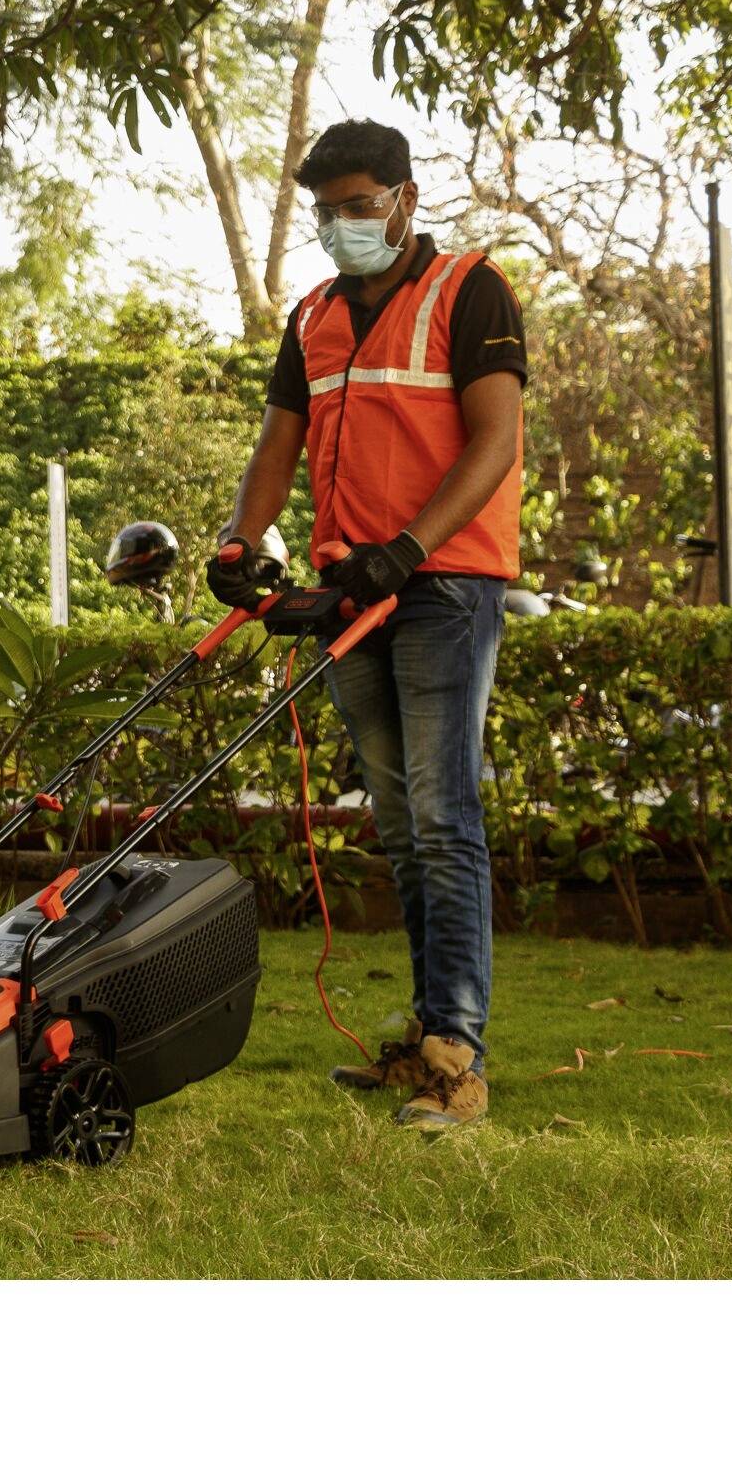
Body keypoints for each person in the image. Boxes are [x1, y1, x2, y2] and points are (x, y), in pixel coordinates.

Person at [208, 119, 527, 1130]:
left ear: (402, 197)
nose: (342, 223)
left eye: (358, 204)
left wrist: (408, 546)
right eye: (326, 210)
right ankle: (430, 1032)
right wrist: (237, 540)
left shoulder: (467, 290)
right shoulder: (310, 316)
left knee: (441, 818)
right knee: (399, 826)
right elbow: (277, 442)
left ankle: (455, 1057)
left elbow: (493, 440)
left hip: (440, 584)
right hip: (350, 589)